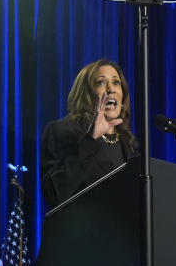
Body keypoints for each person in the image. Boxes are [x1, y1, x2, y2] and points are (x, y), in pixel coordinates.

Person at [40, 58, 139, 208]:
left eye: (116, 82)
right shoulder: (61, 131)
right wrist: (91, 141)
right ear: (86, 93)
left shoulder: (130, 143)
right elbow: (55, 194)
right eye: (101, 82)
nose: (111, 89)